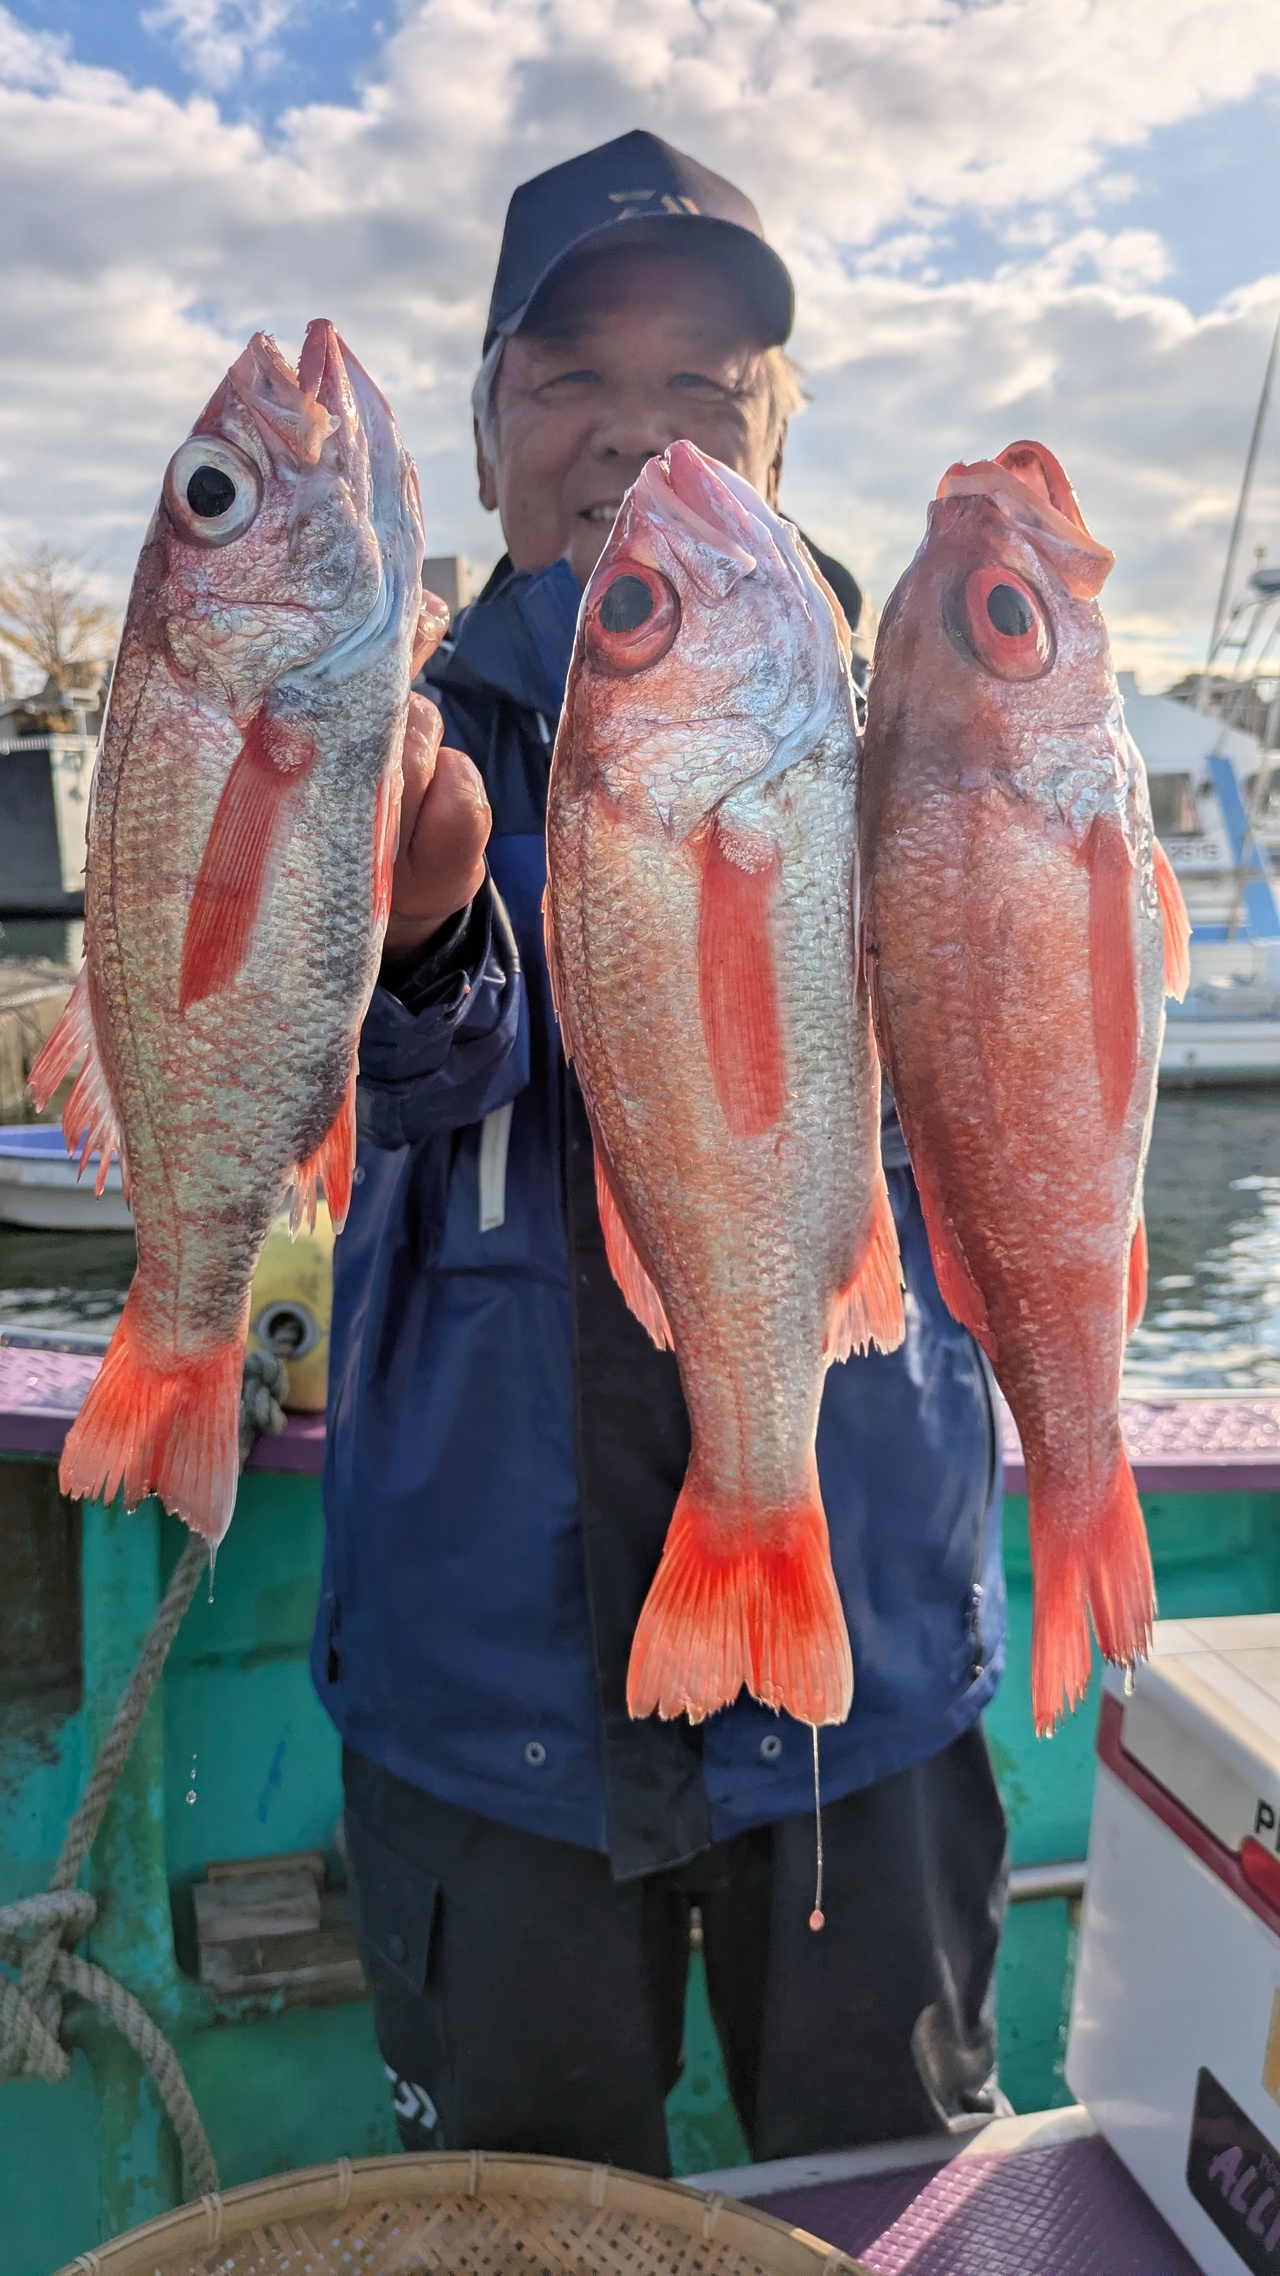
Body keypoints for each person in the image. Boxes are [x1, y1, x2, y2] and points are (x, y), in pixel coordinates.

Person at [315, 130, 1008, 2174]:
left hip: (860, 1656)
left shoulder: (927, 737)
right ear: (485, 434)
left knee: (890, 2201)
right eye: (573, 380)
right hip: (487, 1691)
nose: (637, 431)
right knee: (520, 2220)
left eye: (704, 383)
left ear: (778, 439)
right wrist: (421, 938)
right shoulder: (375, 733)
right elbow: (372, 1074)